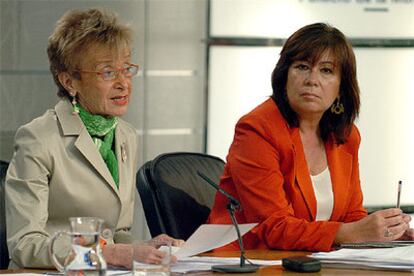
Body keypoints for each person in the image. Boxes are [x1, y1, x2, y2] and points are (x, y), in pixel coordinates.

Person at [208, 23, 414, 252]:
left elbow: (351, 215)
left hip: (314, 263)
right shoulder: (257, 129)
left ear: (341, 87)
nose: (312, 80)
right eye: (302, 67)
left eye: (326, 70)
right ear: (284, 75)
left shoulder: (346, 136)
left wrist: (385, 233)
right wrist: (351, 233)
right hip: (250, 262)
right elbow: (272, 227)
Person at [5, 8, 182, 269]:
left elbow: (117, 232)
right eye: (108, 73)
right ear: (69, 81)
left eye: (126, 69)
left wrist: (143, 247)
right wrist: (103, 253)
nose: (124, 83)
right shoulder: (38, 138)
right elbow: (25, 244)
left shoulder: (125, 135)